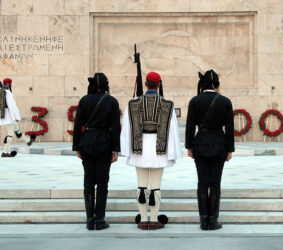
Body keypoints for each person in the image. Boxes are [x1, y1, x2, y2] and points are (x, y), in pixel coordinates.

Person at [120, 72, 182, 230]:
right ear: (159, 85)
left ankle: (142, 219)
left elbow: (127, 128)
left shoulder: (133, 103)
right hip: (158, 149)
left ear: (146, 84)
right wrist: (173, 152)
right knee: (155, 186)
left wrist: (127, 149)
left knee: (141, 186)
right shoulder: (167, 104)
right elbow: (173, 130)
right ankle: (153, 220)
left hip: (139, 148)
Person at [185, 69, 234, 230]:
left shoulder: (195, 101)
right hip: (219, 144)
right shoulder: (225, 101)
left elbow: (190, 126)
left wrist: (189, 146)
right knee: (215, 184)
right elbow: (230, 128)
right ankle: (212, 220)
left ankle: (203, 220)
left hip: (200, 144)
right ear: (216, 84)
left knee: (202, 183)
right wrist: (230, 149)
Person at [73, 73, 120, 230]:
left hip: (87, 142)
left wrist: (76, 147)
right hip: (105, 143)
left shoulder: (84, 100)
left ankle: (89, 220)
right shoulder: (111, 101)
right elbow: (115, 128)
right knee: (102, 183)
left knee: (88, 181)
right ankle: (99, 219)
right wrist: (115, 149)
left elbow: (77, 124)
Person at [0, 78, 36, 157]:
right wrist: (15, 117)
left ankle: (28, 141)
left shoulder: (4, 91)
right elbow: (11, 107)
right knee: (10, 134)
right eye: (10, 83)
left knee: (17, 131)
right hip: (10, 117)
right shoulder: (7, 92)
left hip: (8, 117)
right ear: (8, 83)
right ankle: (5, 152)